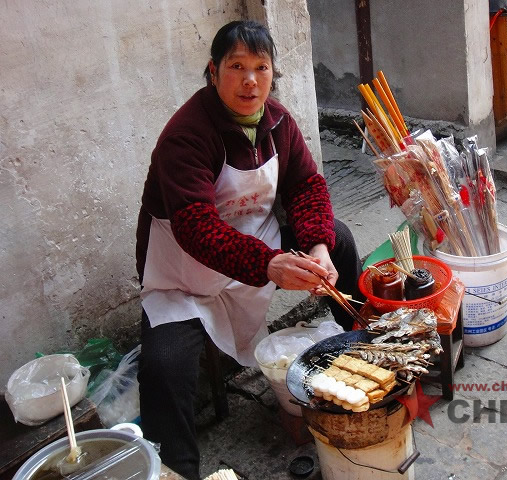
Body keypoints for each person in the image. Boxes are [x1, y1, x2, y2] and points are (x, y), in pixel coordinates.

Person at [135, 20, 364, 479]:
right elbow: (197, 228)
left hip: (259, 244)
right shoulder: (187, 135)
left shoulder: (277, 121)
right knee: (164, 365)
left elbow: (306, 186)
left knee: (338, 238)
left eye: (261, 67)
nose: (250, 80)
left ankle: (361, 341)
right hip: (185, 272)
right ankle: (175, 468)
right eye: (236, 66)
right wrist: (269, 265)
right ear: (213, 71)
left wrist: (316, 245)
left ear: (273, 73)